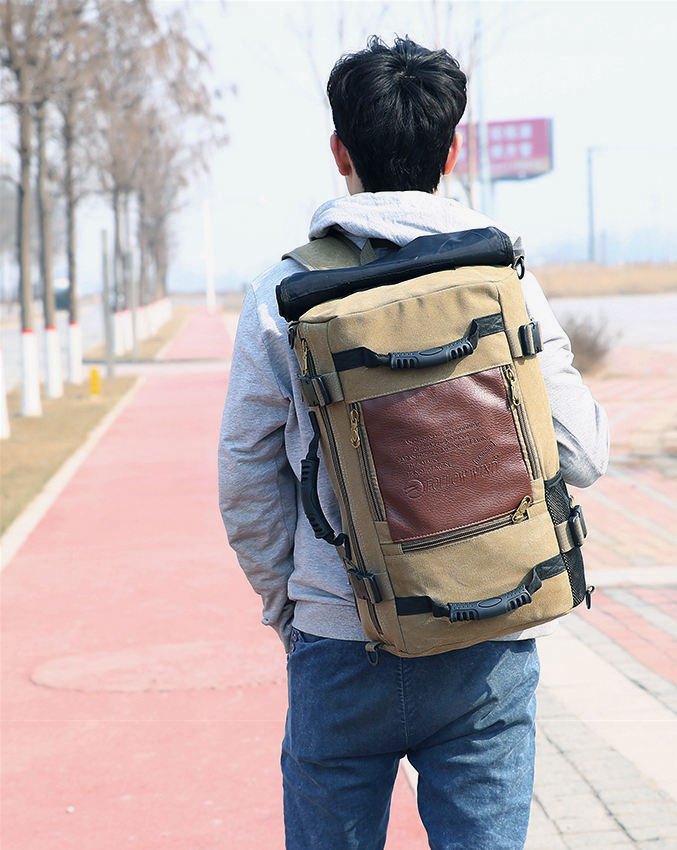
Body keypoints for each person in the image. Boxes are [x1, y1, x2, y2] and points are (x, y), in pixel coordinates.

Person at [219, 35, 608, 850]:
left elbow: (247, 482)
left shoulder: (281, 295)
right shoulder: (505, 280)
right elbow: (580, 453)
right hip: (489, 636)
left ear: (340, 152)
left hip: (341, 635)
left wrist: (292, 609)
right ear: (453, 146)